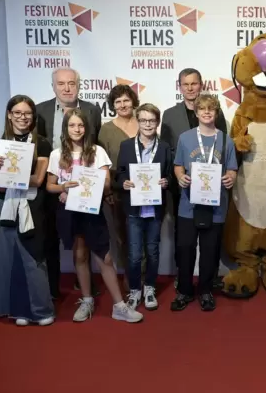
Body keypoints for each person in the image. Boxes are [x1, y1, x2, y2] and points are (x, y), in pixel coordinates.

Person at [46, 109, 142, 323]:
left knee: (105, 257)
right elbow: (49, 186)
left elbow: (107, 184)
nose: (77, 129)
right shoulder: (56, 154)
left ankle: (119, 305)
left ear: (86, 128)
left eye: (80, 125)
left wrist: (91, 182)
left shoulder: (97, 151)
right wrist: (64, 187)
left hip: (92, 210)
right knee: (80, 255)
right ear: (65, 128)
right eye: (72, 125)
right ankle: (87, 299)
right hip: (69, 212)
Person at [0, 95, 55, 326]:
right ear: (9, 114)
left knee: (32, 256)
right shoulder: (1, 143)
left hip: (31, 204)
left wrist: (14, 174)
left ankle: (41, 309)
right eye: (17, 112)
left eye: (27, 113)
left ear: (33, 116)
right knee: (10, 257)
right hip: (4, 204)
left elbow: (37, 180)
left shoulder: (43, 143)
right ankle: (19, 310)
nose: (22, 117)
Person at [36, 67, 102, 299]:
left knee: (84, 239)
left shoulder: (92, 110)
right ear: (53, 86)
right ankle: (52, 289)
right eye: (61, 84)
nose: (66, 88)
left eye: (71, 83)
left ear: (78, 85)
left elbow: (93, 146)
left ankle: (84, 283)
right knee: (50, 238)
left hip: (82, 188)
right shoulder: (40, 111)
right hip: (49, 183)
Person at [161, 68, 227, 286]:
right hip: (183, 186)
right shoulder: (169, 114)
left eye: (194, 84)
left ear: (201, 85)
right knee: (184, 238)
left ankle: (210, 279)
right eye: (185, 84)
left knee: (212, 238)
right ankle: (184, 279)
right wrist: (178, 176)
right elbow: (167, 150)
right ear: (180, 87)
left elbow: (224, 148)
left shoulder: (216, 112)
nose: (190, 88)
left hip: (212, 188)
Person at [171, 95, 237, 312]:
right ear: (196, 113)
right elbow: (178, 165)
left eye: (211, 109)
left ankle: (206, 290)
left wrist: (230, 177)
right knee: (185, 249)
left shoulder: (226, 140)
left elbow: (232, 169)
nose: (207, 113)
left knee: (210, 250)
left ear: (216, 113)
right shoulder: (185, 138)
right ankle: (184, 290)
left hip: (216, 205)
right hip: (188, 204)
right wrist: (180, 177)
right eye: (202, 109)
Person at [116, 103, 173, 311]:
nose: (148, 124)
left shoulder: (165, 147)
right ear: (137, 122)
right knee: (133, 253)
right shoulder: (126, 146)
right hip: (134, 208)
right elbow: (119, 173)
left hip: (155, 208)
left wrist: (166, 181)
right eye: (143, 120)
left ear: (157, 122)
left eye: (152, 120)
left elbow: (169, 174)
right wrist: (123, 182)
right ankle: (134, 290)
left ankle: (149, 287)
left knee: (153, 250)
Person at [98, 85, 140, 292]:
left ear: (133, 101)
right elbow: (101, 164)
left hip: (145, 190)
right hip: (118, 192)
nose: (123, 105)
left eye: (126, 100)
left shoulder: (144, 122)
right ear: (113, 106)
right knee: (123, 236)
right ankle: (129, 276)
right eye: (118, 102)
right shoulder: (106, 130)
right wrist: (107, 192)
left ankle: (144, 277)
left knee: (146, 234)